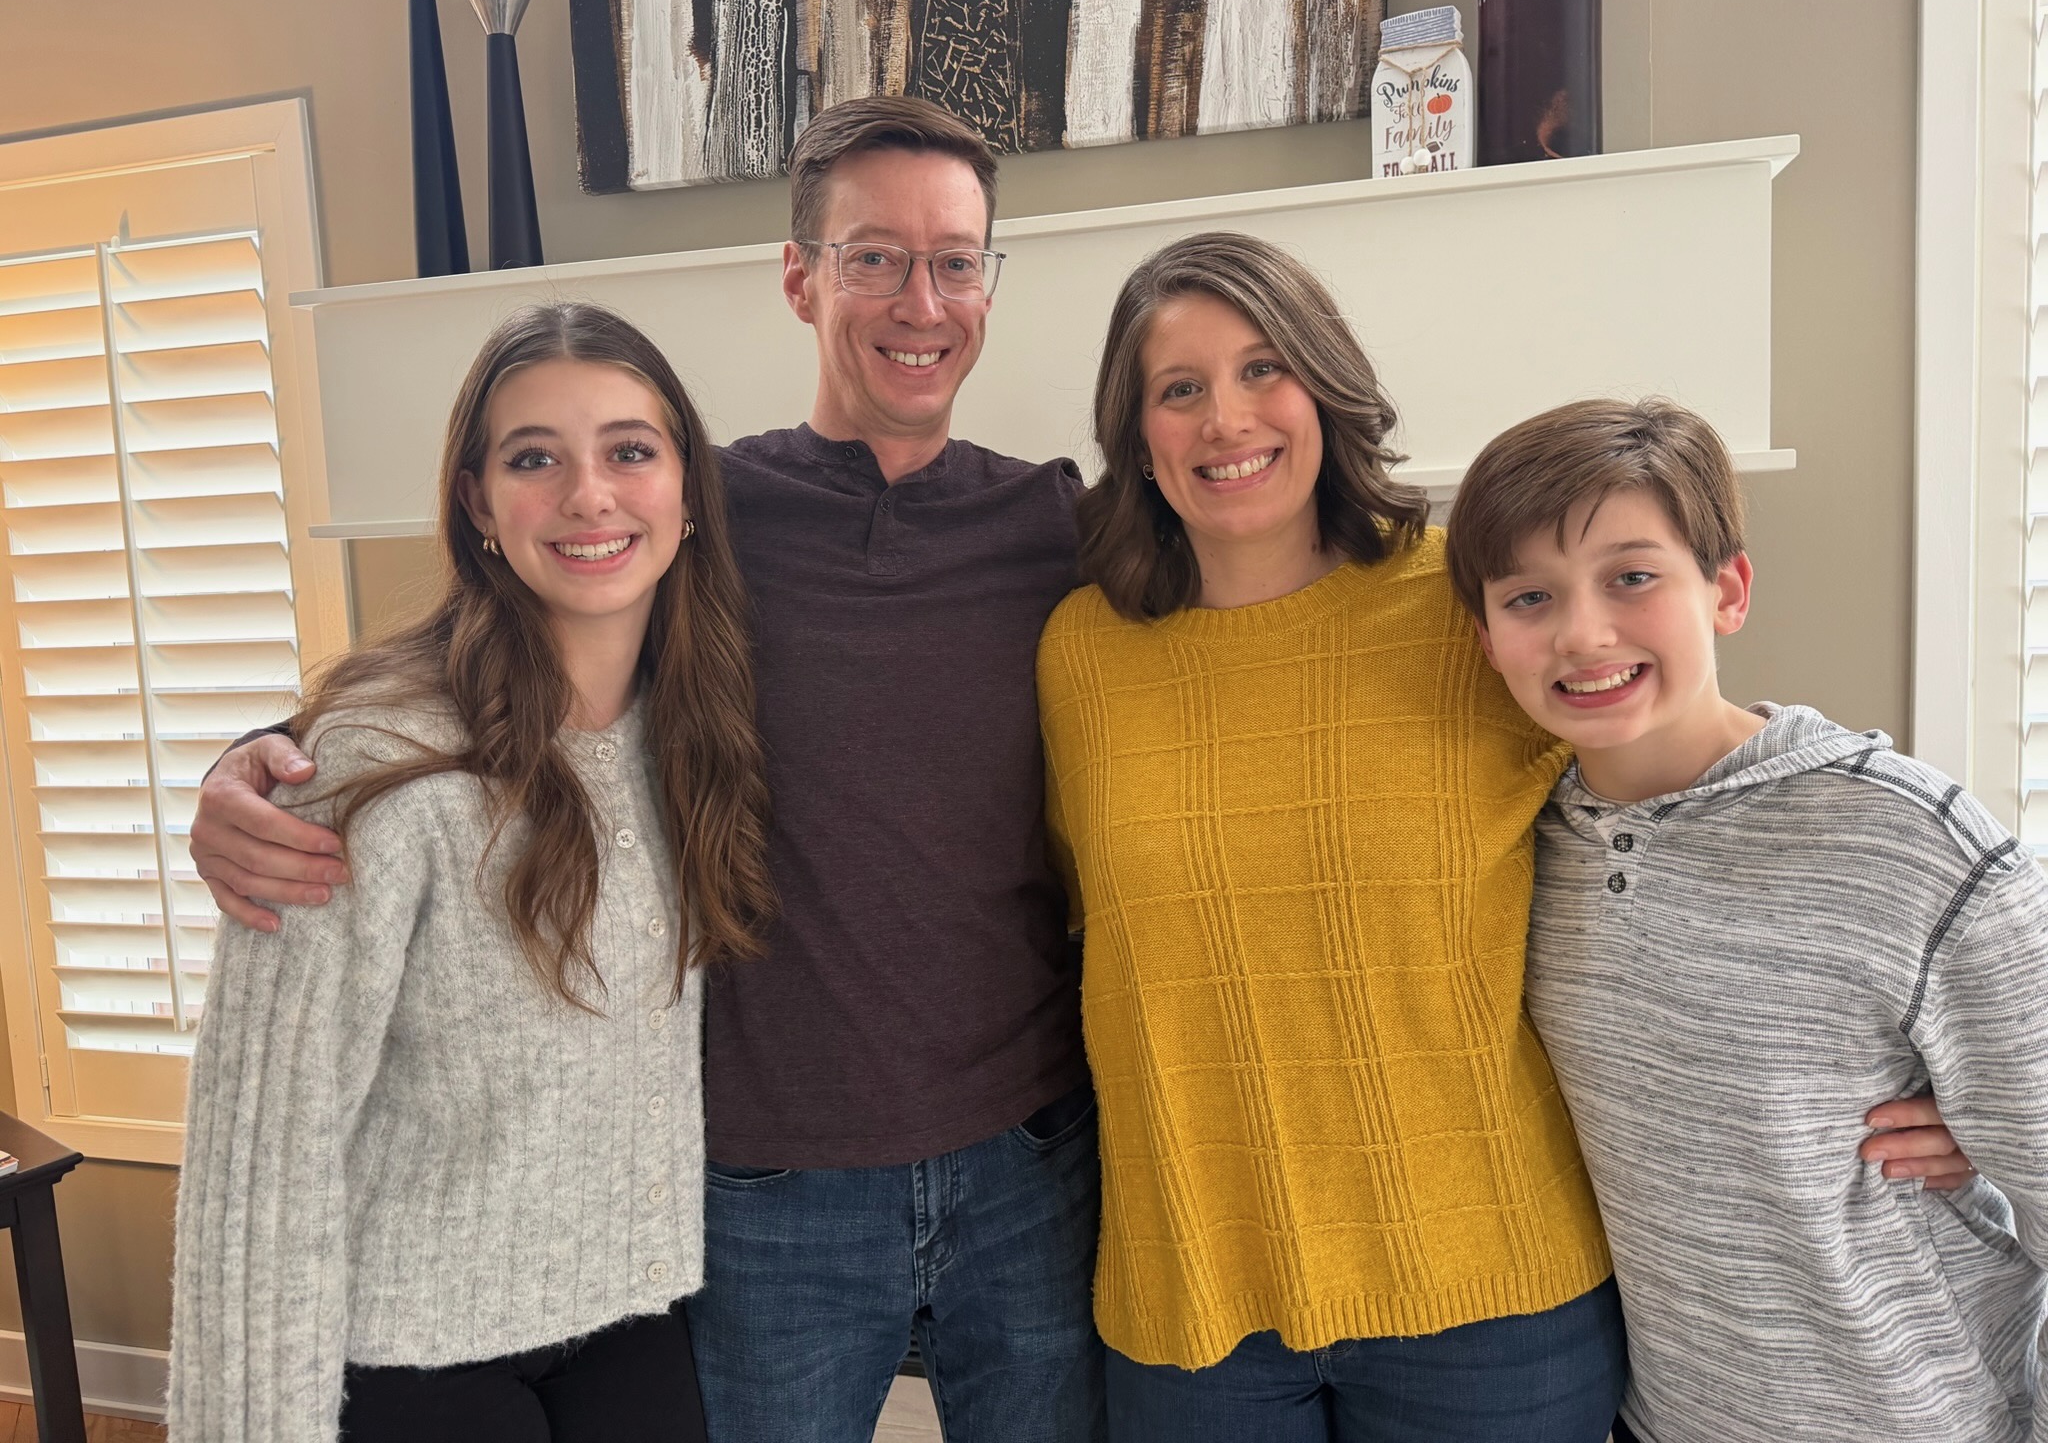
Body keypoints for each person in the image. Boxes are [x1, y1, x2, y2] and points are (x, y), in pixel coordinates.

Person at [184, 97, 1102, 1443]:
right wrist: (255, 772)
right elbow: (484, 671)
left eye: (956, 258)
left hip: (1027, 1159)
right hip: (768, 1192)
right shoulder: (698, 520)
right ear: (799, 276)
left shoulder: (1051, 527)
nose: (922, 298)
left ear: (989, 283)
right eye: (873, 256)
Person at [1035, 231, 1974, 1442]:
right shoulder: (1080, 656)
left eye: (1264, 369)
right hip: (1191, 1295)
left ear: (1322, 386)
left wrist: (1918, 1075)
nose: (1227, 418)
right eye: (1180, 389)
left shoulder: (1462, 605)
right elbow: (1057, 928)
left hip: (1489, 1298)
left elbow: (1686, 799)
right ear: (1137, 434)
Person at [166, 303, 775, 1443]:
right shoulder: (368, 771)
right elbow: (261, 1159)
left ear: (687, 494)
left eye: (629, 451)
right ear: (478, 504)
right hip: (414, 1353)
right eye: (534, 458)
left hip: (631, 1318)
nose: (589, 495)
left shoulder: (697, 738)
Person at [1441, 398, 2048, 1443]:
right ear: (1486, 640)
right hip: (1661, 1418)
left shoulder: (1906, 841)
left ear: (1724, 590)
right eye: (1529, 596)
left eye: (1631, 577)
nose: (1582, 632)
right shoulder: (1511, 849)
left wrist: (1981, 1139)